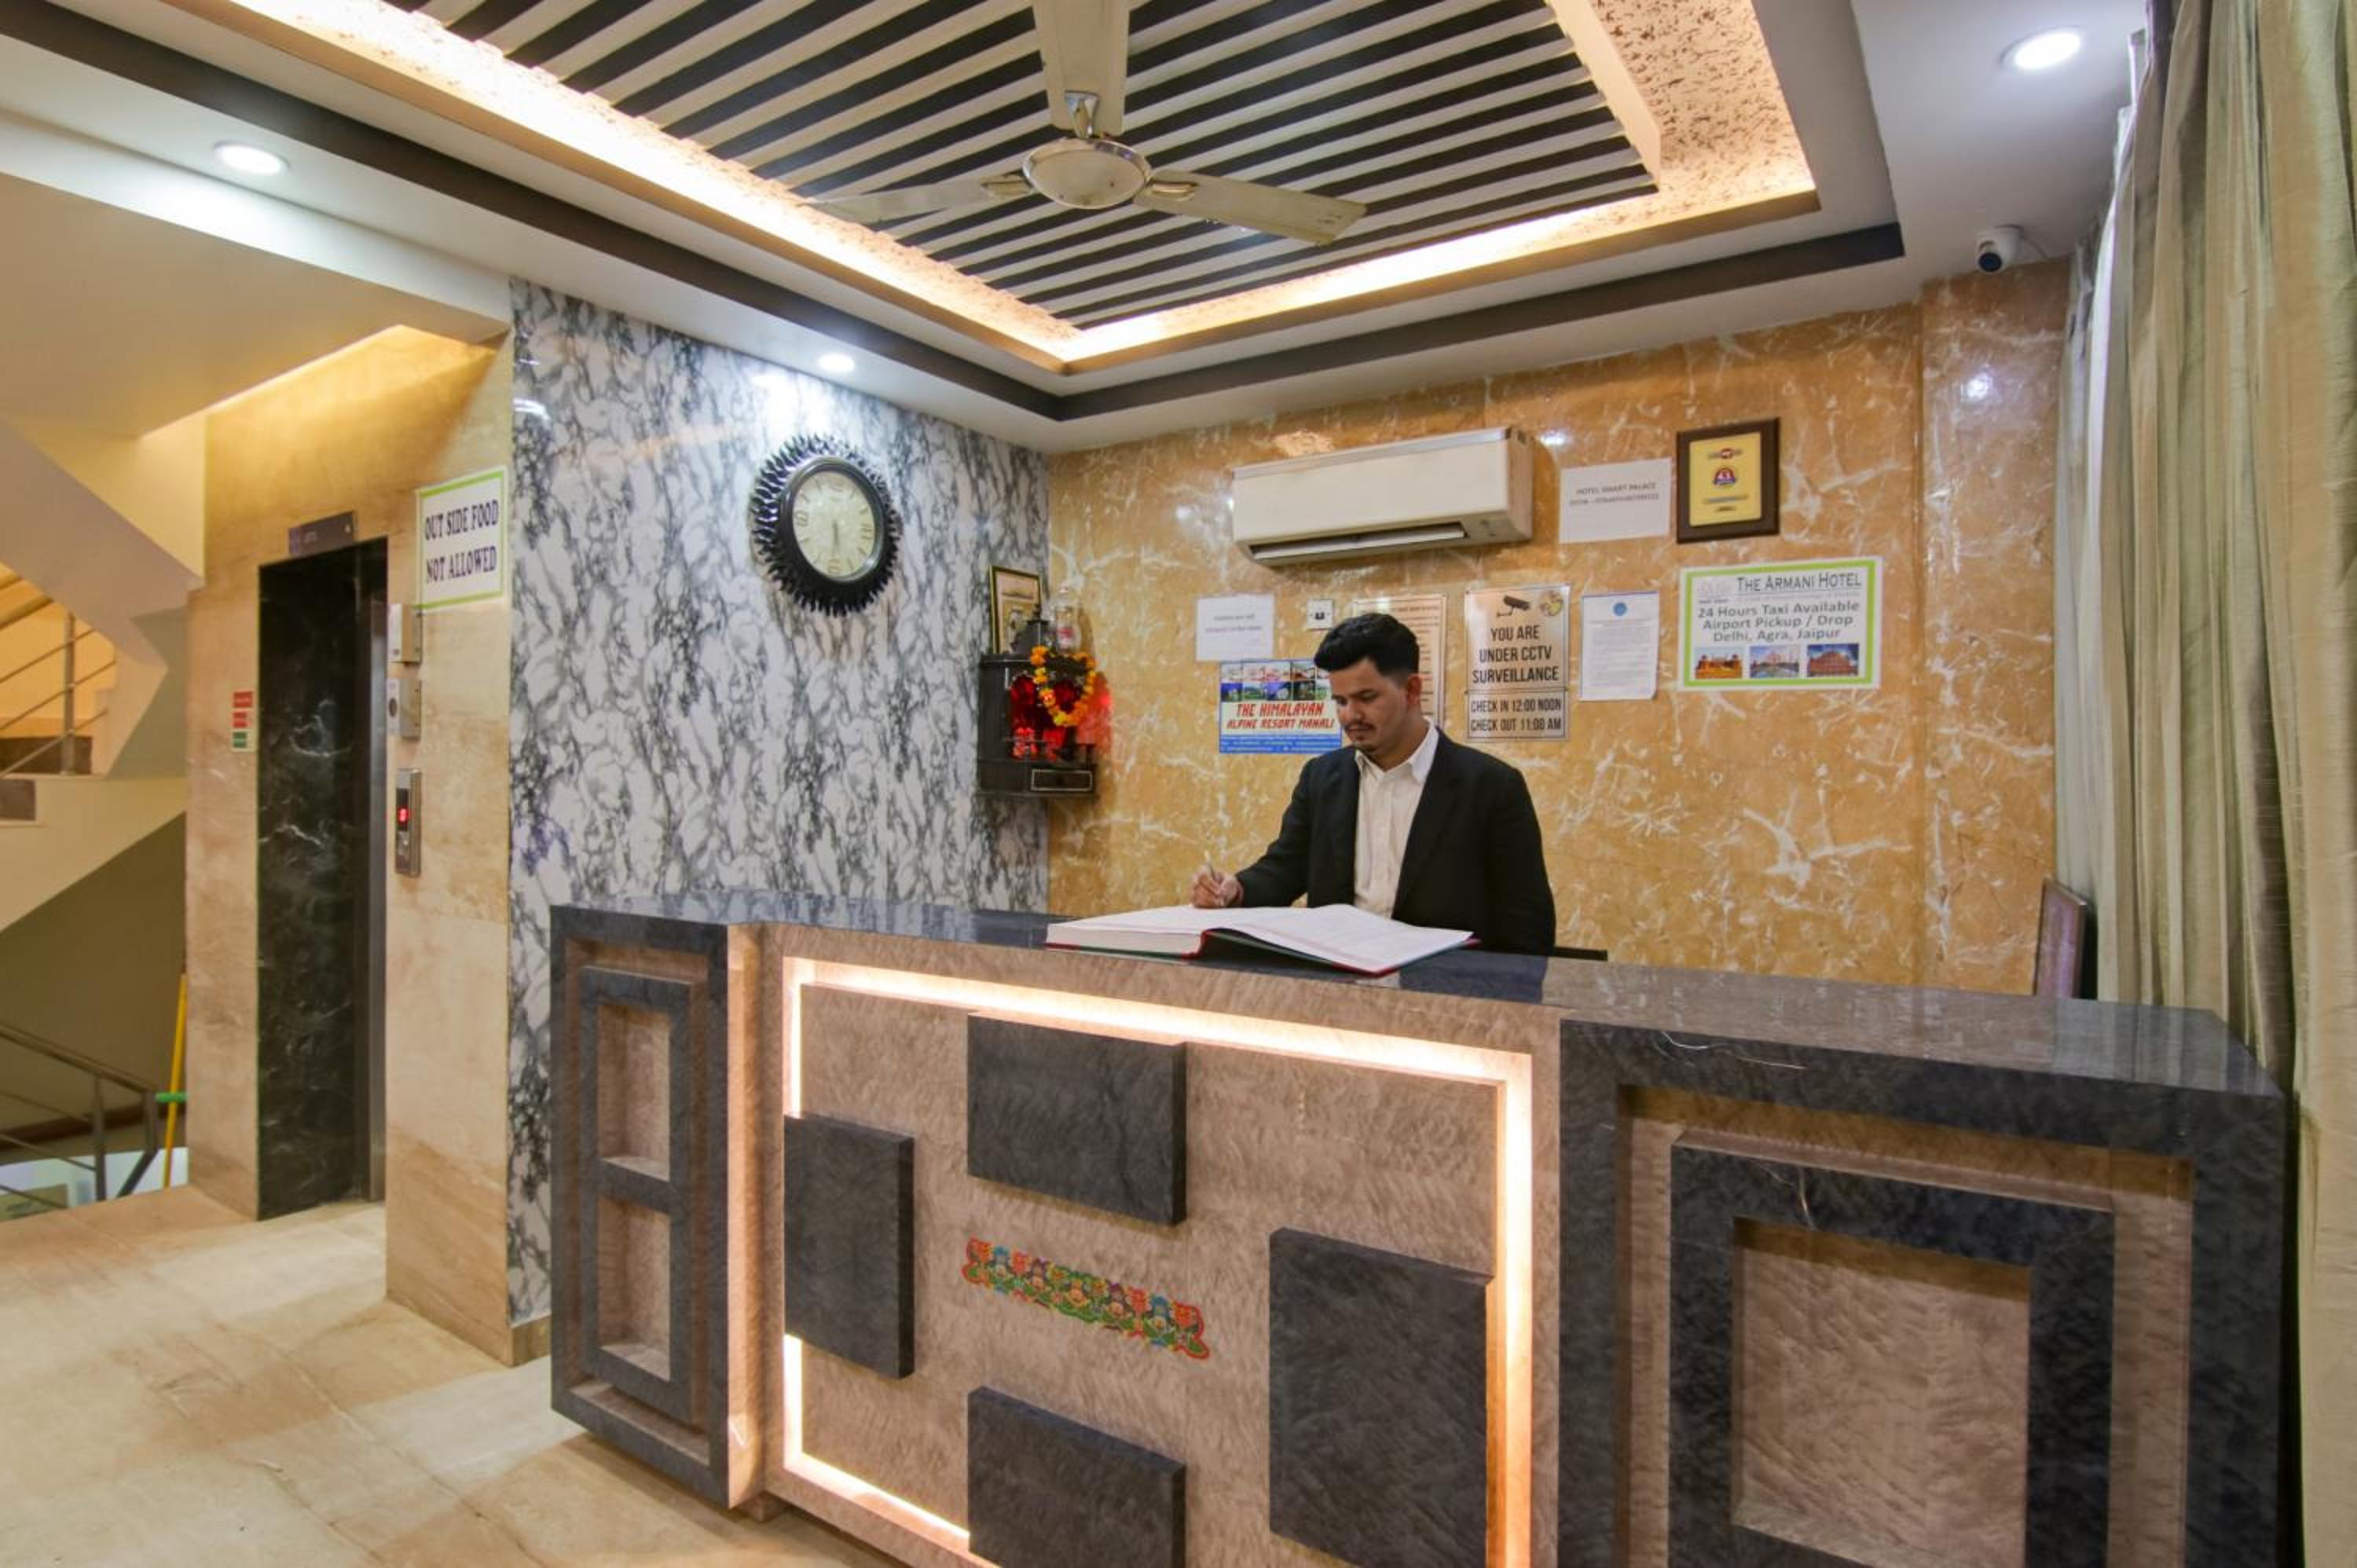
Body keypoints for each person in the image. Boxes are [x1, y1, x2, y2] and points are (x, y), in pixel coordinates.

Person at [1191, 613, 1557, 954]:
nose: (1350, 715)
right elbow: (1286, 868)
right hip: (1338, 980)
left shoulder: (1491, 786)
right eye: (1340, 701)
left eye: (1366, 698)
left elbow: (1527, 926)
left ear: (1411, 690)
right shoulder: (1321, 778)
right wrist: (1237, 889)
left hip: (1445, 989)